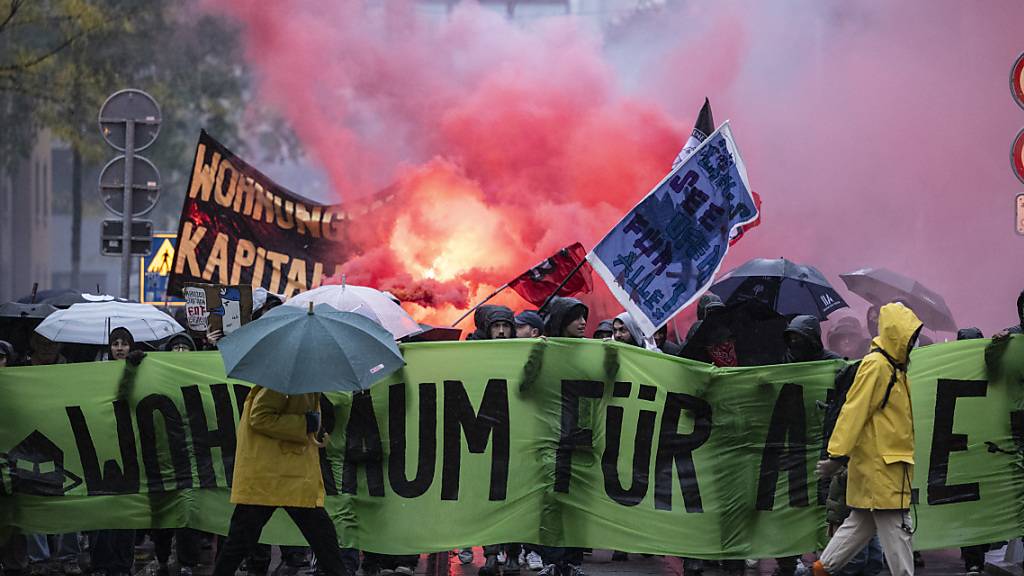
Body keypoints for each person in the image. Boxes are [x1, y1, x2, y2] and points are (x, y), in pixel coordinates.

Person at [813, 303, 923, 576]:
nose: (911, 343)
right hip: (883, 472)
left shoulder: (893, 369)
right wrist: (836, 456)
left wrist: (837, 457)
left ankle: (821, 570)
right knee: (898, 532)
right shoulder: (878, 366)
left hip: (885, 470)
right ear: (897, 335)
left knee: (859, 525)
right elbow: (854, 411)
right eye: (908, 337)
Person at [211, 385, 350, 576]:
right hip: (270, 474)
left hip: (286, 474)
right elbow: (259, 416)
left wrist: (313, 426)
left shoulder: (301, 380)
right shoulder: (280, 384)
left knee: (322, 536)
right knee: (241, 540)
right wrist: (305, 424)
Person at [537, 297, 589, 576]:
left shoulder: (589, 352)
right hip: (550, 436)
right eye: (576, 317)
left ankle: (572, 560)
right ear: (561, 321)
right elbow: (526, 383)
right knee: (551, 500)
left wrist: (613, 356)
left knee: (577, 502)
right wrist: (537, 354)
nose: (583, 323)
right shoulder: (545, 350)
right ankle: (551, 559)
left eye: (584, 317)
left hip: (581, 438)